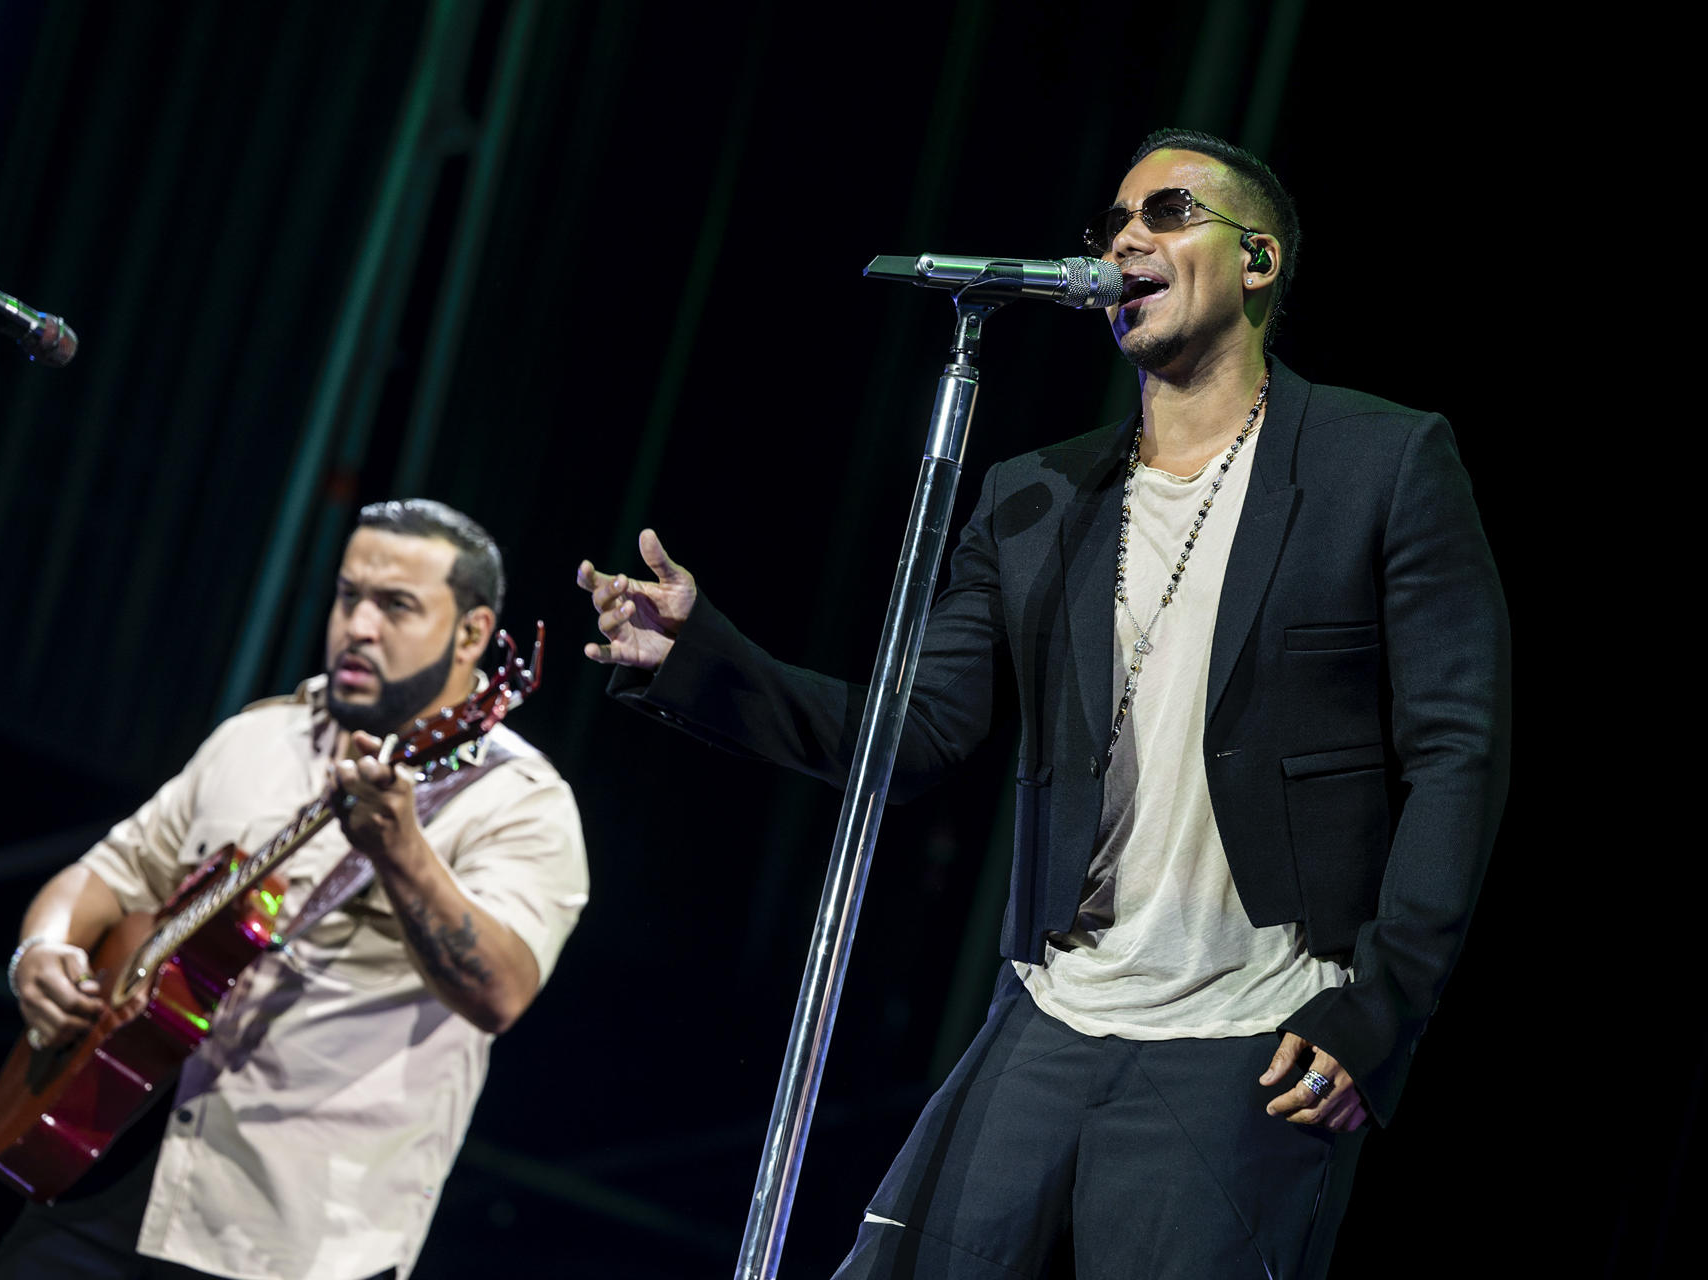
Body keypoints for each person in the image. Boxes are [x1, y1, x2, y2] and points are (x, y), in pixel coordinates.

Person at [576, 127, 1508, 1279]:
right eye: (1110, 223)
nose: (1126, 238)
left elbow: (1457, 751)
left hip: (1251, 1028)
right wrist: (697, 658)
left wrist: (1385, 1005)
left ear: (1258, 259)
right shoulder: (1036, 498)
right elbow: (912, 736)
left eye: (1167, 213)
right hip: (1056, 1006)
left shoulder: (1385, 460)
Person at [0, 499, 589, 1280]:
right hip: (110, 1165)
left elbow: (500, 992)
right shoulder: (260, 734)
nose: (359, 626)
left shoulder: (521, 801)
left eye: (396, 605)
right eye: (349, 596)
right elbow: (108, 872)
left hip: (293, 1240)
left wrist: (402, 850)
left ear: (472, 634)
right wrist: (41, 949)